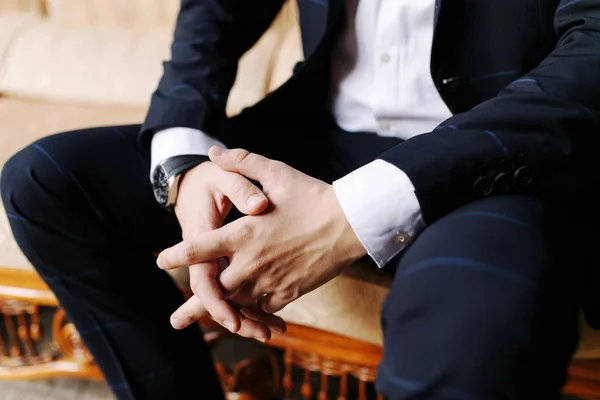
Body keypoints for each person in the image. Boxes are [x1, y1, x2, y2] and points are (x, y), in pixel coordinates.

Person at [2, 0, 600, 398]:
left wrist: (345, 215)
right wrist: (184, 163)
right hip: (315, 132)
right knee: (48, 181)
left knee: (473, 322)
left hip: (493, 161)